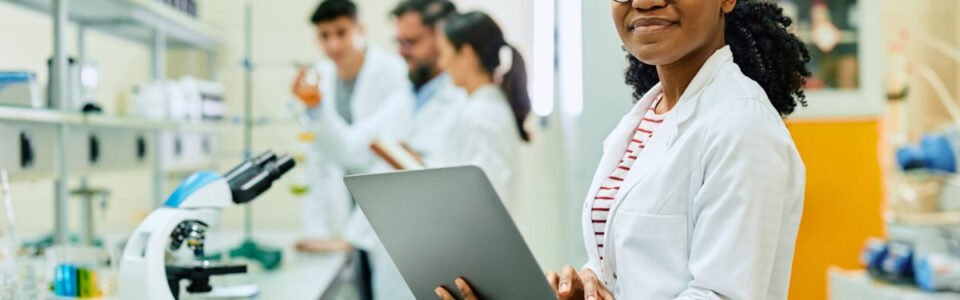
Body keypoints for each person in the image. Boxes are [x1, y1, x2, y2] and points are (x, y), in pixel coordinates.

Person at [435, 0, 809, 299]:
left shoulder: (742, 125)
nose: (644, 2)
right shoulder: (647, 118)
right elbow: (630, 267)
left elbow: (722, 295)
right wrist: (587, 284)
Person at [291, 0, 409, 252]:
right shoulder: (318, 77)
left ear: (360, 30)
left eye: (341, 33)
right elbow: (317, 162)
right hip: (340, 213)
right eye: (324, 35)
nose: (333, 44)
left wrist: (316, 109)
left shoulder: (393, 73)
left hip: (385, 212)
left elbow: (360, 150)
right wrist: (317, 232)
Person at [432, 11, 532, 210]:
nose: (442, 64)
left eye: (444, 53)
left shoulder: (480, 116)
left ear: (467, 55)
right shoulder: (483, 108)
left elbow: (483, 199)